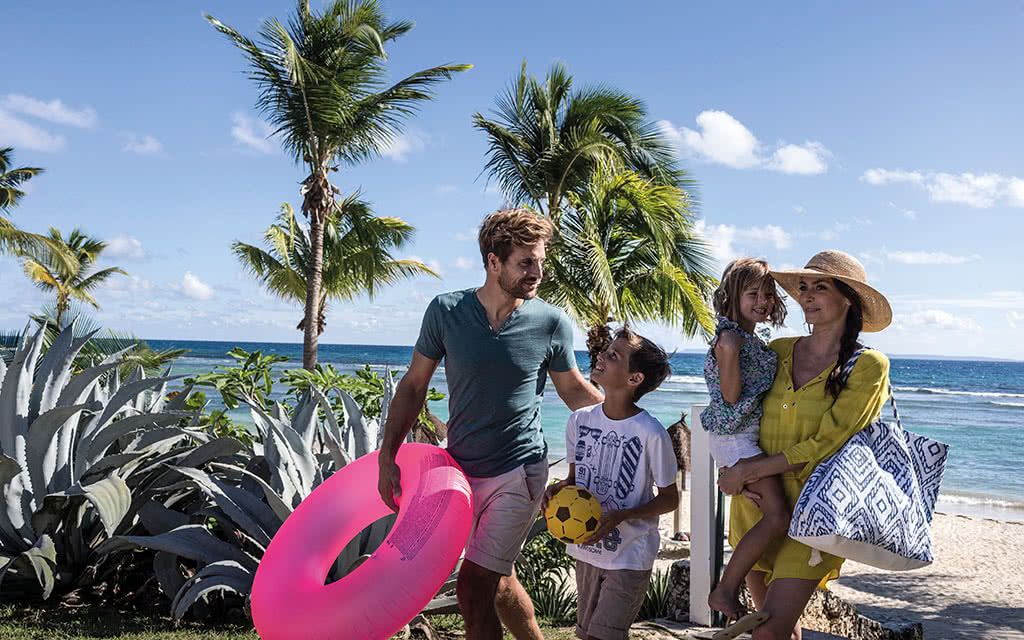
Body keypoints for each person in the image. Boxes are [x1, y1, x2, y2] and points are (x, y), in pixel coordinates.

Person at [377, 208, 604, 640]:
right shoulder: (446, 311)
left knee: (472, 586)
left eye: (540, 261)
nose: (537, 272)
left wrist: (628, 420)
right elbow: (413, 387)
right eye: (525, 262)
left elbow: (573, 390)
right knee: (499, 583)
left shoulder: (551, 321)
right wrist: (387, 456)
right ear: (493, 261)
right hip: (460, 472)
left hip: (520, 470)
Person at [717, 250, 892, 640]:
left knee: (768, 631)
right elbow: (737, 410)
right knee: (781, 630)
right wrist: (735, 469)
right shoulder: (778, 350)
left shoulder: (868, 365)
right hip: (760, 505)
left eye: (820, 287)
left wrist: (749, 470)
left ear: (849, 298)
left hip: (817, 513)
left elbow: (829, 441)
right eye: (804, 288)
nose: (807, 296)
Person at [543, 327, 679, 640]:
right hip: (587, 550)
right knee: (585, 634)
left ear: (635, 379)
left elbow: (670, 498)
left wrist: (622, 515)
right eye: (606, 351)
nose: (601, 357)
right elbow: (574, 481)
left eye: (613, 356)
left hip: (630, 554)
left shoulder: (651, 433)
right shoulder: (580, 421)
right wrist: (557, 491)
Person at [700, 258, 788, 635]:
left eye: (768, 294)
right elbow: (731, 396)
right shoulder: (730, 339)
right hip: (735, 437)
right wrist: (731, 352)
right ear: (733, 296)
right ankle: (723, 590)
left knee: (770, 512)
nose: (763, 301)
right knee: (778, 517)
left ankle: (732, 589)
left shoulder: (749, 338)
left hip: (738, 437)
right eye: (753, 294)